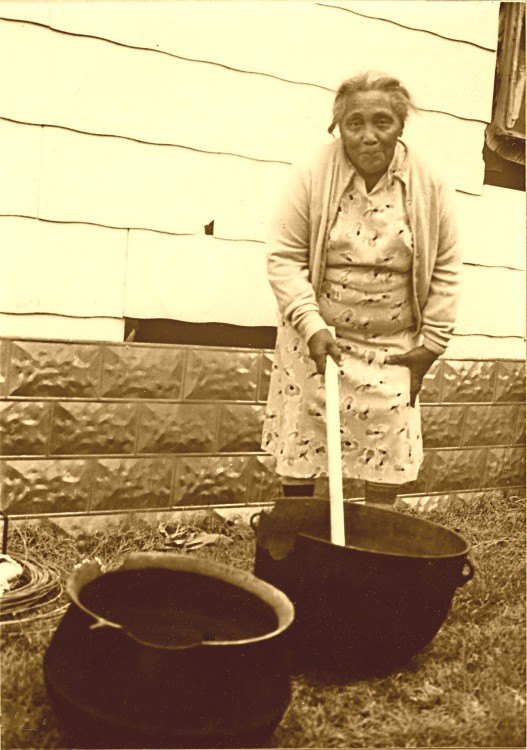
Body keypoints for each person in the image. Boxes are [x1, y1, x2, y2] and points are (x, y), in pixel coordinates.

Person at [262, 71, 461, 506]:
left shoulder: (429, 183)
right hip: (315, 340)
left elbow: (446, 267)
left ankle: (374, 548)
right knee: (304, 443)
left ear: (401, 125)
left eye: (381, 122)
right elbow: (284, 257)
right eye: (355, 123)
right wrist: (311, 328)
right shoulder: (312, 174)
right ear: (339, 128)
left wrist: (431, 346)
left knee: (387, 446)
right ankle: (298, 546)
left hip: (393, 347)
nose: (368, 136)